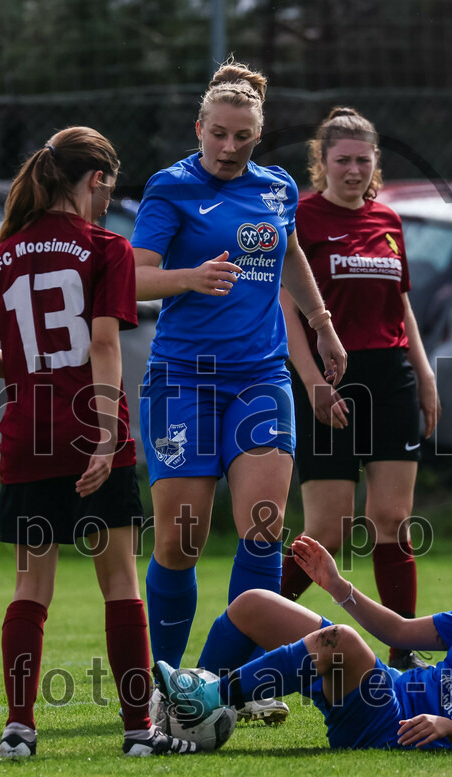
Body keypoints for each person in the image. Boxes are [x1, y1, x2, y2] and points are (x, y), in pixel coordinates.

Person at [0, 126, 197, 758]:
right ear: (95, 181)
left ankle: (19, 728)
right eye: (108, 190)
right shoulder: (105, 248)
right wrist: (103, 434)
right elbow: (100, 345)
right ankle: (137, 732)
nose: (107, 202)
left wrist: (32, 373)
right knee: (119, 581)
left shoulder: (5, 252)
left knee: (30, 588)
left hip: (29, 436)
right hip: (91, 430)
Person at [130, 60, 347, 724]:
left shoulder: (277, 186)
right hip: (184, 381)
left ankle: (230, 687)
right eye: (218, 134)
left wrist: (320, 322)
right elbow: (132, 280)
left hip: (260, 378)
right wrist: (190, 278)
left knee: (262, 531)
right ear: (200, 128)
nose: (228, 148)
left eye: (242, 136)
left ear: (260, 133)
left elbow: (289, 254)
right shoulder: (170, 189)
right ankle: (161, 689)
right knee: (180, 542)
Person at [159, 536, 452, 753]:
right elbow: (400, 632)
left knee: (339, 642)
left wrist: (447, 726)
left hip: (392, 727)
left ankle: (205, 701)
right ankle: (196, 714)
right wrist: (337, 585)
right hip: (384, 690)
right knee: (253, 604)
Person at [278, 107, 441, 672]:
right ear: (321, 163)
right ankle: (252, 631)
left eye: (362, 160)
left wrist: (423, 374)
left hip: (391, 375)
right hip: (329, 378)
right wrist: (313, 382)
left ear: (375, 164)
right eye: (341, 159)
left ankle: (405, 653)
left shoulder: (388, 220)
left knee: (392, 518)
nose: (352, 169)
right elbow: (288, 311)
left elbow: (400, 304)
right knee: (328, 528)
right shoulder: (299, 217)